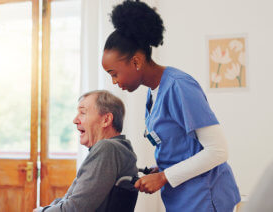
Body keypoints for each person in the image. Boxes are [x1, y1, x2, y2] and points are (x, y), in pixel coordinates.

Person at [101, 0, 241, 211]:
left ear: (136, 62)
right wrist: (161, 168)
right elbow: (184, 146)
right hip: (183, 200)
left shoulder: (179, 86)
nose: (114, 81)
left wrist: (164, 177)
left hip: (205, 198)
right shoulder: (153, 92)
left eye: (114, 74)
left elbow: (218, 150)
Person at [33, 90, 138, 212]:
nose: (75, 120)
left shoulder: (107, 149)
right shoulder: (121, 148)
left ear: (106, 120)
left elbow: (75, 208)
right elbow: (70, 201)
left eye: (82, 113)